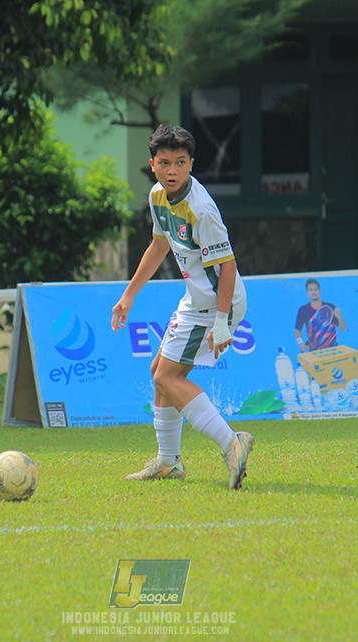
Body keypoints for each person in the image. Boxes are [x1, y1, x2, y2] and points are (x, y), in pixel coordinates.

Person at [111, 125, 253, 490]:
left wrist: (222, 322)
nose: (172, 170)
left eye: (180, 162)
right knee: (160, 370)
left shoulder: (201, 209)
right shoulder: (158, 196)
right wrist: (129, 295)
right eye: (164, 162)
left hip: (217, 301)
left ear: (192, 163)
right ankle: (168, 462)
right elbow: (159, 246)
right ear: (153, 165)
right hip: (197, 299)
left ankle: (230, 444)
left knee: (167, 377)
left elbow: (228, 266)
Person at [295, 278, 346, 351]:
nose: (314, 292)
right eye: (311, 290)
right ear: (307, 292)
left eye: (316, 289)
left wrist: (339, 316)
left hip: (333, 350)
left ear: (320, 291)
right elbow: (297, 330)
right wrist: (301, 343)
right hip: (315, 352)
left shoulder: (330, 307)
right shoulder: (303, 310)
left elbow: (343, 328)